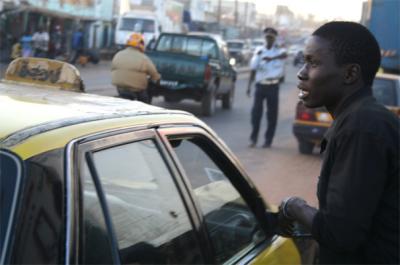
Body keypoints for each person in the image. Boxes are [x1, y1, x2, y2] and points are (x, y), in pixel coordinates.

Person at [277, 21, 399, 264]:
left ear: (350, 74)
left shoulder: (362, 127)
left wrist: (293, 206)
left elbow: (339, 233)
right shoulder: (357, 120)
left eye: (313, 63)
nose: (302, 73)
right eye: (304, 61)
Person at [247, 27, 287, 148]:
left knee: (272, 115)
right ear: (264, 38)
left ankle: (268, 140)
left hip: (273, 86)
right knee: (256, 114)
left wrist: (272, 58)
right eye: (267, 37)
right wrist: (249, 86)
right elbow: (253, 69)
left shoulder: (279, 51)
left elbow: (285, 55)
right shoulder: (259, 51)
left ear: (274, 38)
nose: (269, 39)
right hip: (260, 86)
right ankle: (253, 139)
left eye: (271, 37)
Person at [111, 33, 160, 103]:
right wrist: (157, 79)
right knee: (144, 100)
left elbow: (112, 68)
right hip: (136, 89)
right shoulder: (143, 58)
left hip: (120, 87)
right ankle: (145, 111)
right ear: (141, 44)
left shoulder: (118, 54)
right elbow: (154, 73)